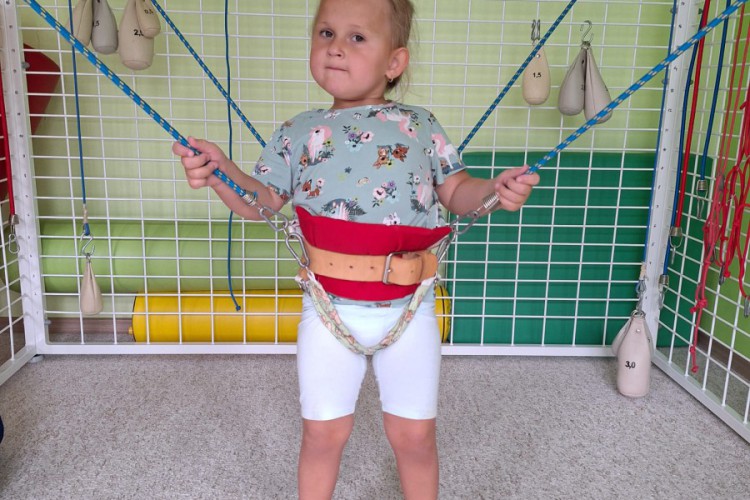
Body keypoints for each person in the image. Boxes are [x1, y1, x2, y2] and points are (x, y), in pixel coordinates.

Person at [173, 0, 539, 498]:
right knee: (322, 435)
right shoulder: (297, 132)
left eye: (357, 37)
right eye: (325, 33)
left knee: (414, 438)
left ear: (394, 62)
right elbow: (260, 201)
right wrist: (222, 173)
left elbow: (457, 192)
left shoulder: (420, 125)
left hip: (409, 306)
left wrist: (495, 191)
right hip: (328, 309)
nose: (336, 48)